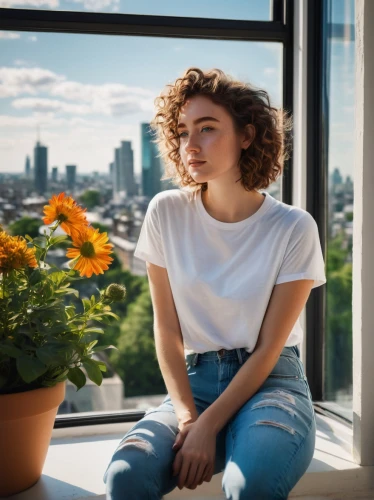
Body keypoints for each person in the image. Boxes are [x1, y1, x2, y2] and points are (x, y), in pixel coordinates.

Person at [103, 67, 327, 500]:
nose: (192, 145)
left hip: (271, 383)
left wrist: (208, 426)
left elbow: (268, 349)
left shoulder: (293, 227)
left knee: (252, 485)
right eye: (183, 131)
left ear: (247, 135)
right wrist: (190, 419)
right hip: (194, 385)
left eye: (207, 129)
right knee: (125, 476)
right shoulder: (165, 212)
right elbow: (166, 330)